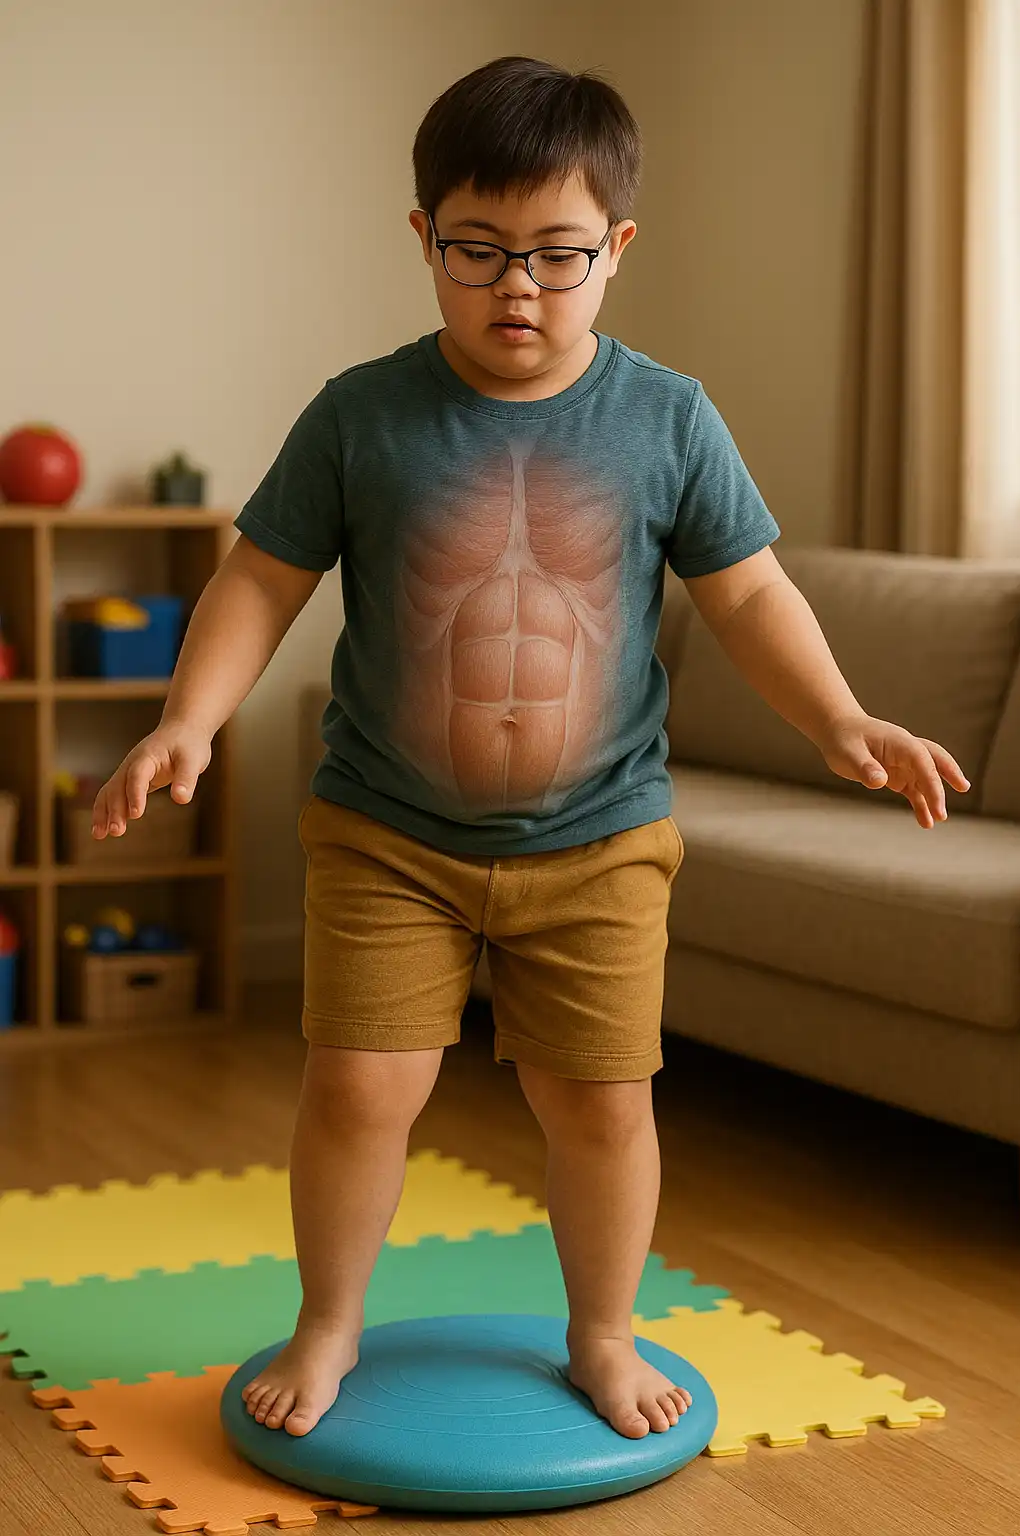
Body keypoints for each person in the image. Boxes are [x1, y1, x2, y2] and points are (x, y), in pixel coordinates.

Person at [91, 55, 969, 1442]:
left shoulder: (668, 417)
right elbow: (260, 577)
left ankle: (605, 1334)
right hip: (388, 833)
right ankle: (330, 1325)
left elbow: (749, 595)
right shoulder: (360, 415)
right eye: (479, 251)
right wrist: (185, 722)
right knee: (358, 1088)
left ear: (615, 249)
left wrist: (844, 717)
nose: (518, 288)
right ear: (423, 238)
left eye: (557, 256)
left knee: (602, 1109)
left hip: (602, 840)